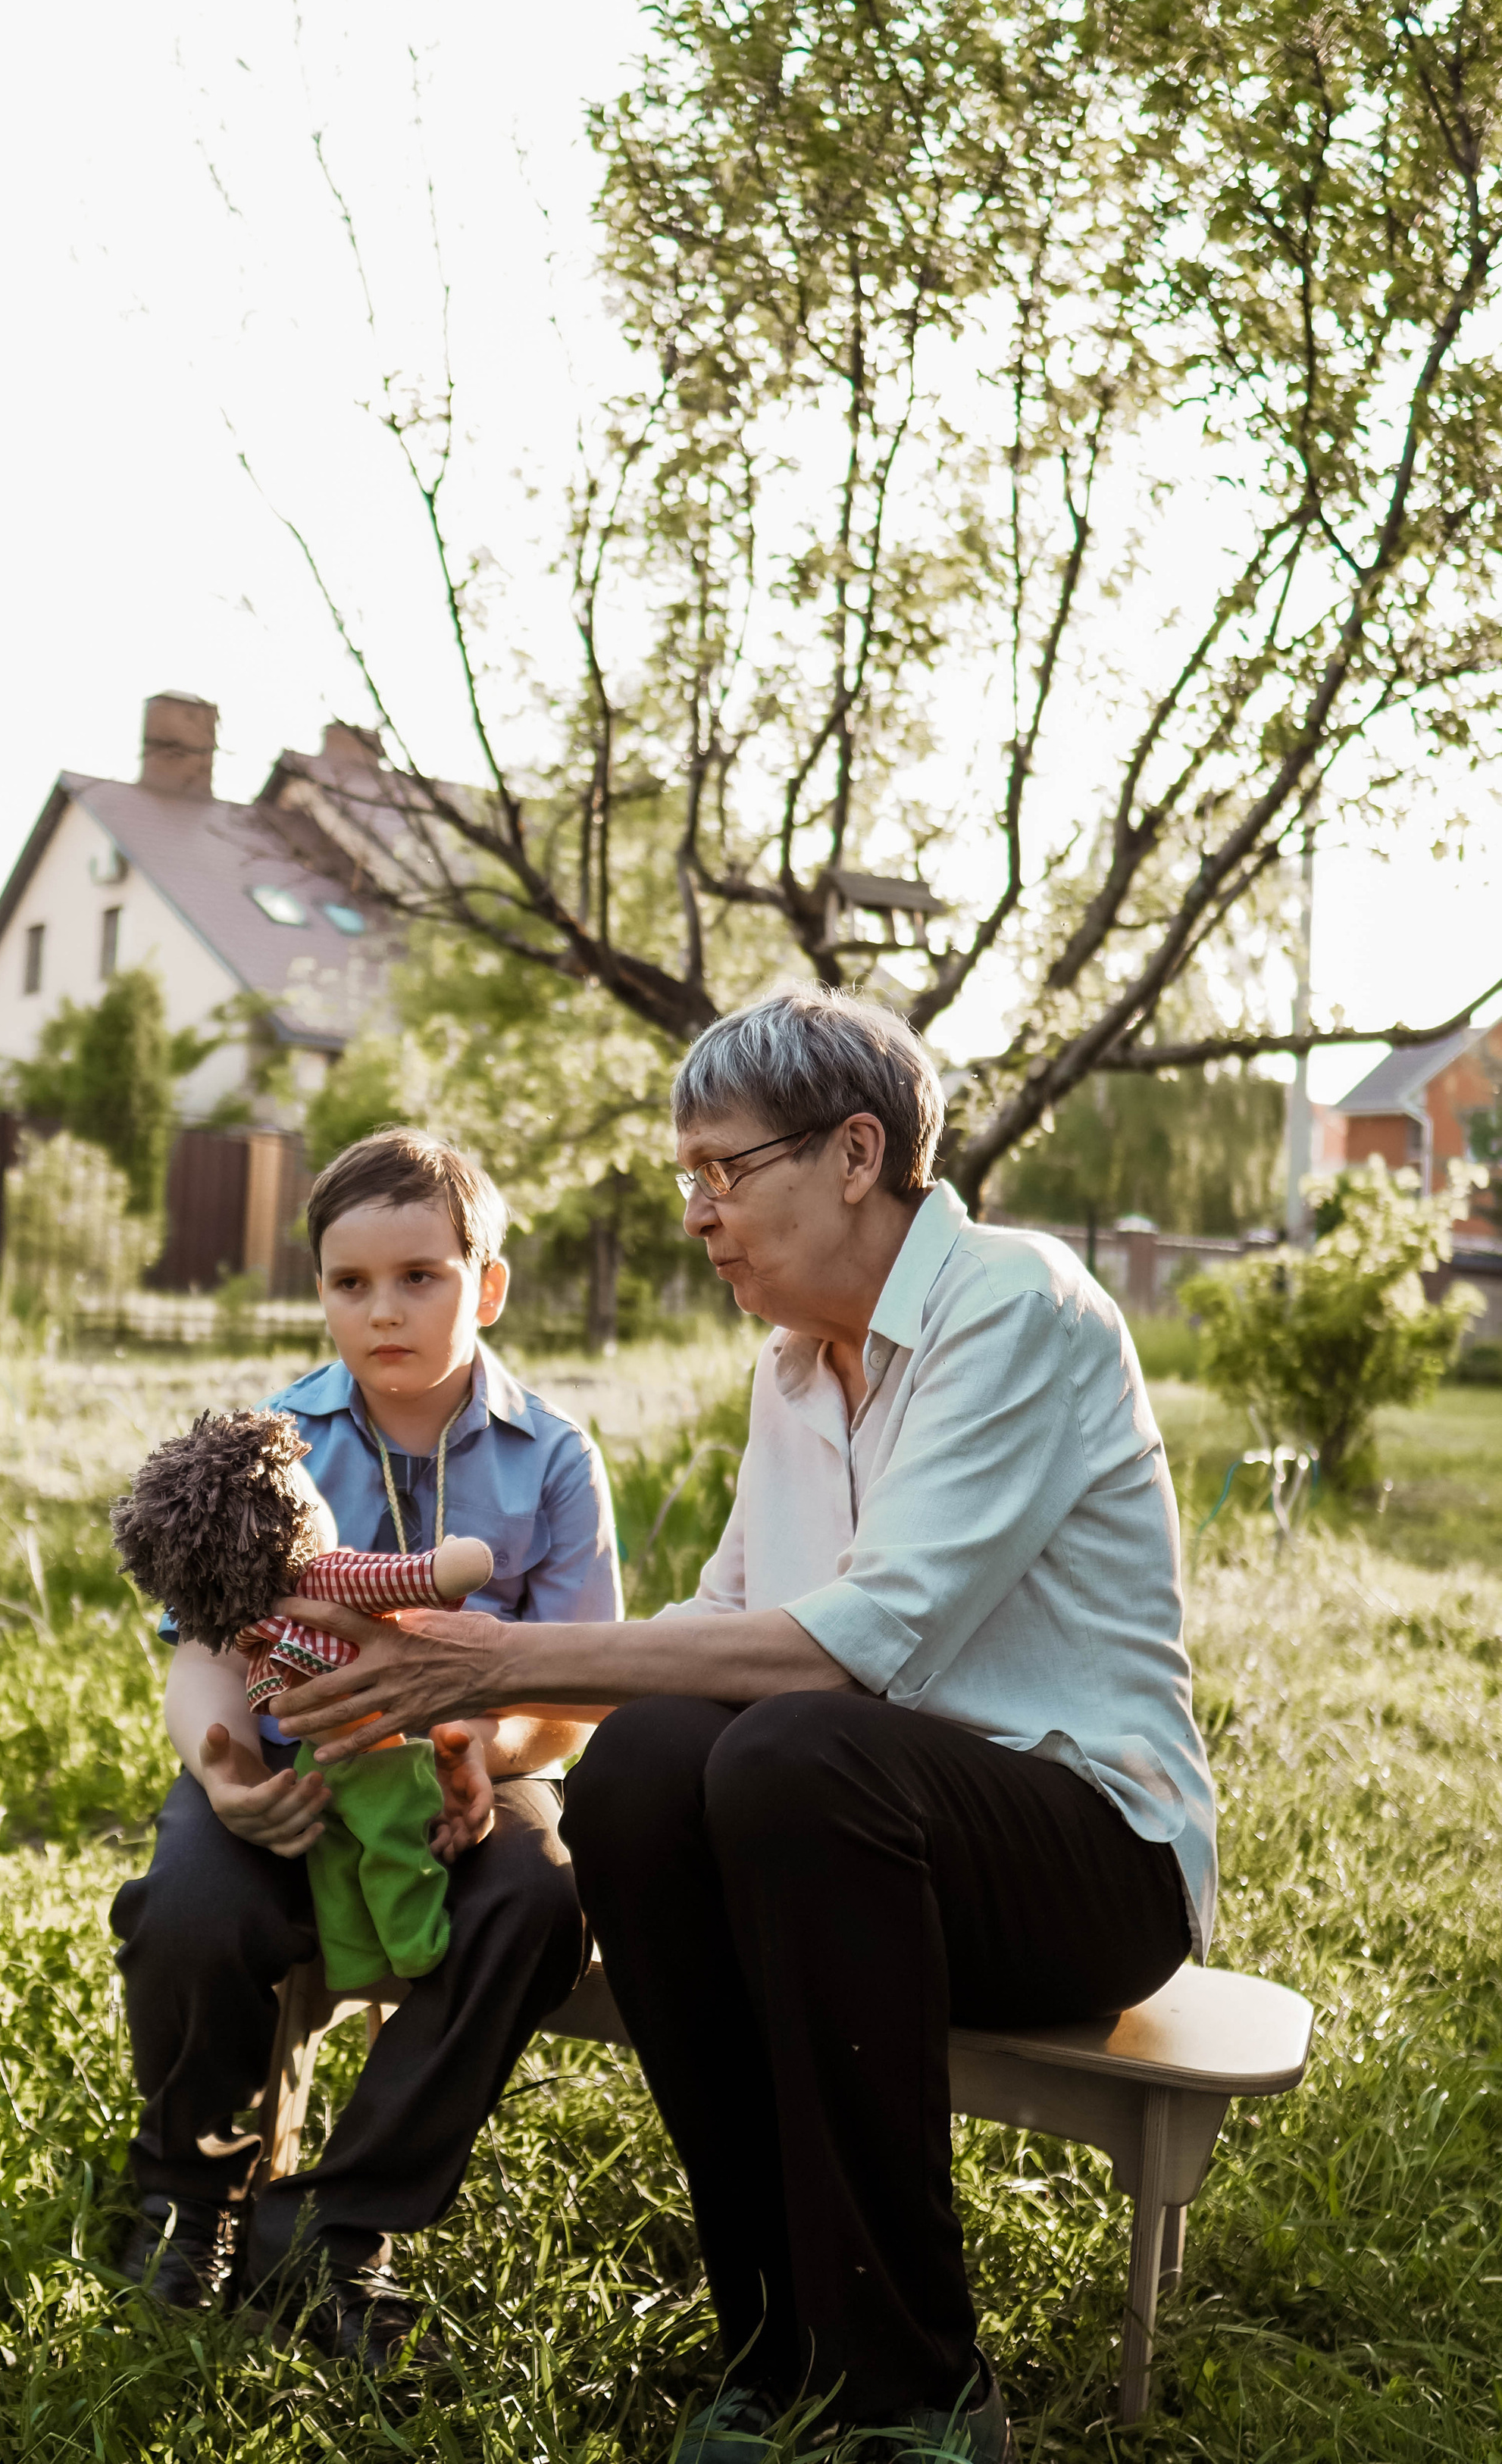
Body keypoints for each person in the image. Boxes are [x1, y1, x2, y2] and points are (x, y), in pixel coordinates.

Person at [273, 990, 1217, 2462]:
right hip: (853, 1838)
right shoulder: (792, 1365)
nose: (699, 1216)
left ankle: (912, 2390)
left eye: (725, 1172)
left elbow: (864, 1646)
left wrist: (498, 1656)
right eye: (686, 1180)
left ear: (855, 1153)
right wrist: (466, 1713)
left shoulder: (1012, 1308)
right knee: (647, 1770)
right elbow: (701, 1634)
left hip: (1085, 1859)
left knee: (788, 1751)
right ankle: (777, 2350)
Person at [109, 1128, 618, 2368]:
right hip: (293, 1768)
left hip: (470, 1782)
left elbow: (586, 1683)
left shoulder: (551, 1457)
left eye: (420, 1276)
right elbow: (205, 1648)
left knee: (537, 1901)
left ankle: (340, 2221)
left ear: (486, 1284)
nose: (382, 1311)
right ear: (321, 1291)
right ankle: (190, 2180)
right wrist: (222, 1768)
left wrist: (478, 1751)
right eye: (350, 1283)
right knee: (187, 1902)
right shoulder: (271, 1444)